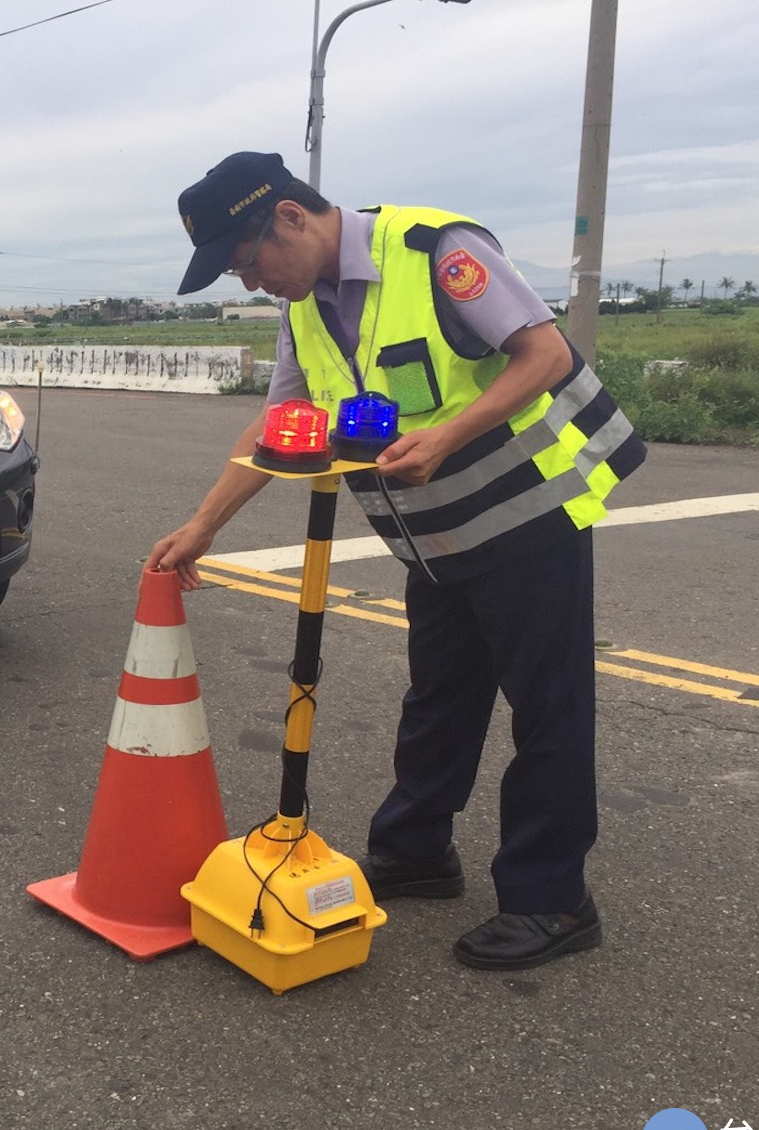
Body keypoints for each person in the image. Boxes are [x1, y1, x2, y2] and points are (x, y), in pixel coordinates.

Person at [148, 151, 647, 970]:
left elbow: (546, 355)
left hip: (529, 518)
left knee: (548, 709)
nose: (250, 283)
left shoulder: (434, 250)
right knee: (439, 697)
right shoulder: (304, 306)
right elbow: (279, 425)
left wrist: (448, 435)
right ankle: (416, 849)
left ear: (289, 218)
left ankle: (552, 898)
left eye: (247, 263)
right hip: (435, 538)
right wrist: (204, 525)